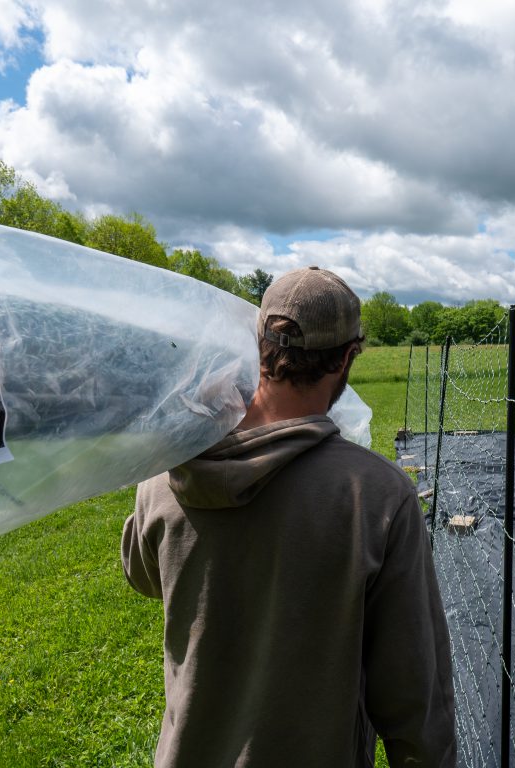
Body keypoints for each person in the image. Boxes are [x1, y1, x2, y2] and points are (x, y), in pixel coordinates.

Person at [121, 266, 456, 767]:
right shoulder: (379, 496)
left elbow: (143, 574)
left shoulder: (170, 469)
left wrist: (189, 434)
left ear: (256, 344)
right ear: (346, 358)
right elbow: (413, 695)